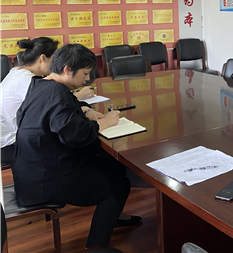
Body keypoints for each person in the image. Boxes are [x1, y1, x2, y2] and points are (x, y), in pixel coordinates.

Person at [11, 44, 135, 249]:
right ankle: (96, 247)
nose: (87, 79)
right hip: (46, 181)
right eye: (85, 73)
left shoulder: (41, 85)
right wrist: (105, 122)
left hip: (30, 172)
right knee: (119, 184)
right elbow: (75, 136)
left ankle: (111, 216)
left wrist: (85, 112)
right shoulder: (57, 92)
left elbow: (64, 113)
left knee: (116, 168)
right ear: (67, 70)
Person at [1, 37, 95, 166]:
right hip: (12, 142)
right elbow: (53, 104)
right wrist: (80, 97)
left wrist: (83, 108)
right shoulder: (26, 81)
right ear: (43, 58)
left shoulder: (18, 71)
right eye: (55, 58)